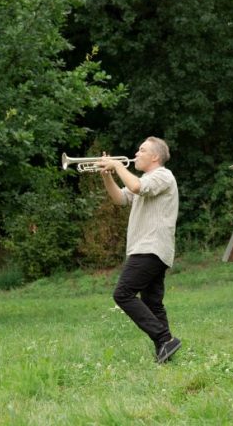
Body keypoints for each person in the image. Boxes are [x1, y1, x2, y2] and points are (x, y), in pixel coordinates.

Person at [99, 136, 181, 363]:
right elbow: (120, 198)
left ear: (155, 156)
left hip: (150, 248)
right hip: (148, 249)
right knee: (152, 302)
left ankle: (165, 338)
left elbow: (136, 187)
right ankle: (165, 351)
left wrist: (116, 165)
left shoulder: (162, 175)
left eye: (141, 150)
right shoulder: (145, 179)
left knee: (122, 294)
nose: (135, 153)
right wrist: (108, 176)